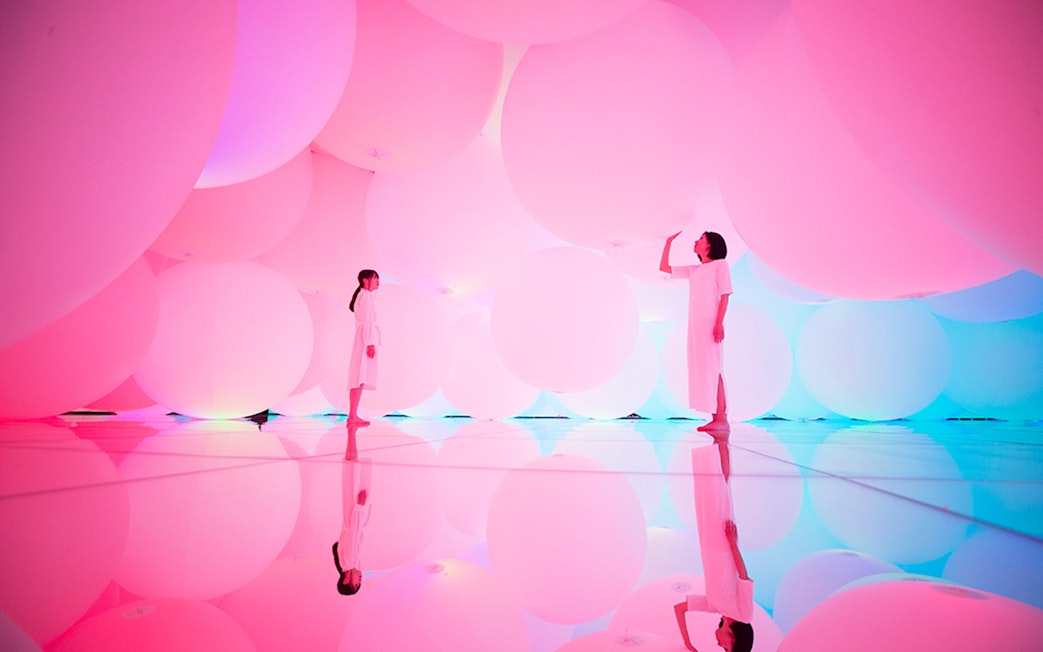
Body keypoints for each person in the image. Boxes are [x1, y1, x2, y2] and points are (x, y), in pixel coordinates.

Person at [673, 442, 754, 652]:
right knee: (721, 491)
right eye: (726, 649)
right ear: (736, 643)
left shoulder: (714, 606)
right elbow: (744, 577)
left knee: (711, 493)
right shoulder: (743, 615)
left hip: (708, 546)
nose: (720, 645)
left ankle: (719, 440)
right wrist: (733, 544)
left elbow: (679, 609)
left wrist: (688, 643)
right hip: (725, 547)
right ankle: (721, 437)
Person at [660, 231, 732, 431]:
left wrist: (719, 323)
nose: (696, 241)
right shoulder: (694, 270)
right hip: (695, 324)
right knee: (704, 369)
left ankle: (722, 418)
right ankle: (715, 417)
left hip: (710, 322)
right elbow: (664, 267)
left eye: (701, 239)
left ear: (709, 246)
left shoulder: (720, 265)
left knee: (715, 369)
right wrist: (668, 242)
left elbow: (725, 295)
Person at [332, 454, 372, 596]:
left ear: (345, 580)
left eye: (356, 584)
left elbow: (353, 534)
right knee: (352, 474)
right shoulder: (349, 562)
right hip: (354, 515)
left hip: (354, 514)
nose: (360, 580)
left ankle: (351, 432)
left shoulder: (348, 561)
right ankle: (352, 432)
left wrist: (359, 507)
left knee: (352, 475)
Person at [347, 269, 380, 426]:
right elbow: (367, 321)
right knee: (358, 377)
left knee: (359, 377)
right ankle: (352, 415)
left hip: (362, 338)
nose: (378, 282)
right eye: (375, 278)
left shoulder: (365, 296)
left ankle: (353, 415)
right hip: (364, 339)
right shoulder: (365, 296)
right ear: (365, 280)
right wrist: (370, 342)